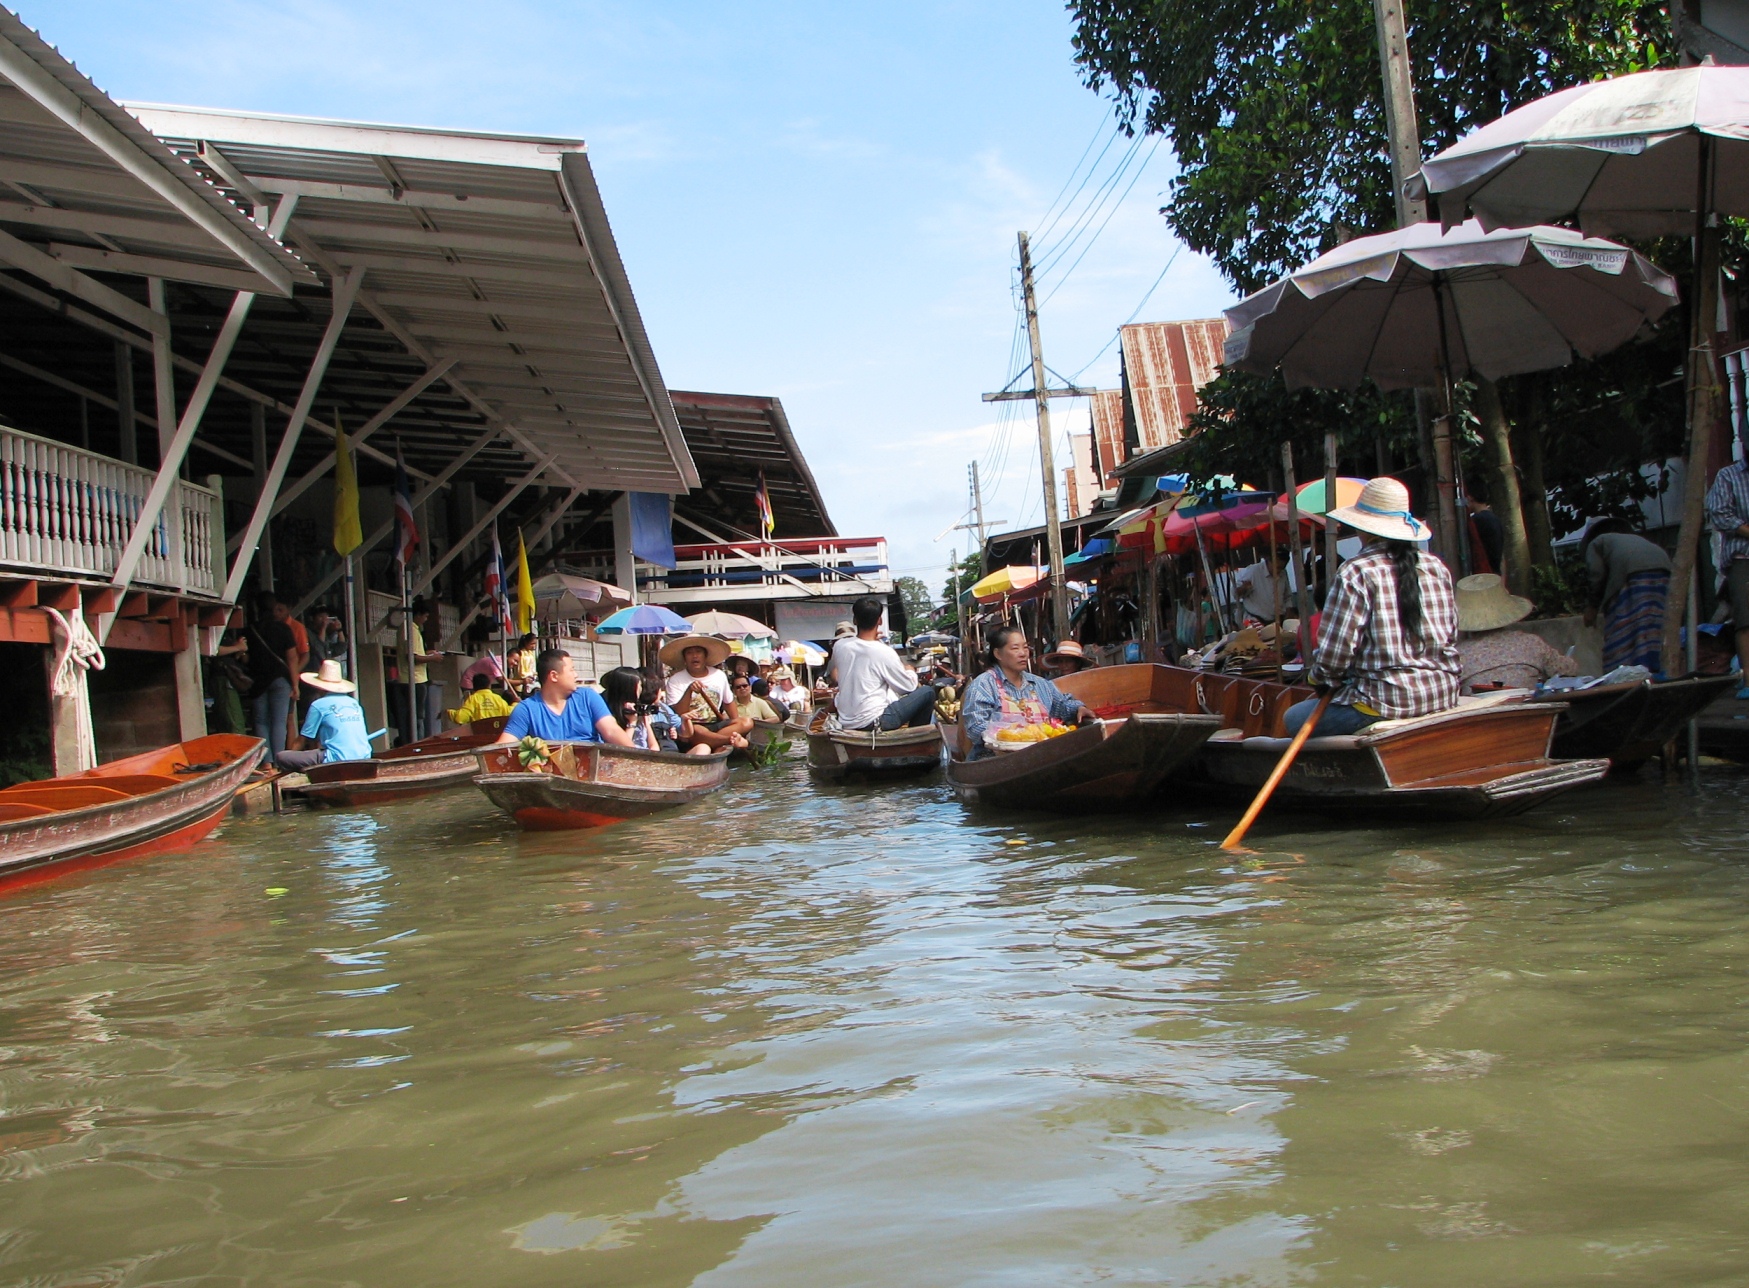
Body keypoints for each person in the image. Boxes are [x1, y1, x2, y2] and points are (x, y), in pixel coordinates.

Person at [1282, 476, 1460, 738]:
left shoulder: (1356, 571)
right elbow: (1451, 636)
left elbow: (1335, 655)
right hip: (1442, 693)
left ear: (1365, 529)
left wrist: (1318, 679)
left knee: (1293, 718)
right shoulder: (1436, 567)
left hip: (1384, 702)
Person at [961, 623, 1094, 758]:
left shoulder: (1039, 684)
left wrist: (1078, 708)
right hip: (996, 760)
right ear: (998, 654)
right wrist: (1014, 737)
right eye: (1015, 648)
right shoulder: (983, 685)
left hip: (1042, 756)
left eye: (1025, 648)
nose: (1023, 653)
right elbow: (975, 728)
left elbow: (1062, 705)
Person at [830, 596, 958, 731]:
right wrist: (910, 671)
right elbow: (907, 687)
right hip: (876, 721)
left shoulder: (839, 646)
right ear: (880, 620)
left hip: (847, 723)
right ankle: (916, 738)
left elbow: (861, 652)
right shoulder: (884, 651)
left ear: (855, 620)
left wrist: (875, 642)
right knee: (927, 693)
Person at [1454, 574, 1580, 693]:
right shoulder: (1530, 643)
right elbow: (1569, 669)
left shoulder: (1457, 655)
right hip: (1529, 711)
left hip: (1482, 715)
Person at [1580, 519, 1671, 674]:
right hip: (1663, 568)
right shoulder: (1635, 540)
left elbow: (1596, 575)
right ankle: (1651, 667)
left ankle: (1627, 672)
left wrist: (1592, 607)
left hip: (1634, 575)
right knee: (1650, 623)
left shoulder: (1596, 543)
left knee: (1625, 628)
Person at [497, 649, 634, 746]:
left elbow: (611, 730)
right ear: (554, 676)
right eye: (572, 670)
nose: (576, 675)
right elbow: (506, 742)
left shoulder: (588, 697)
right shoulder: (526, 709)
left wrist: (637, 758)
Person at [275, 659, 372, 770]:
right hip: (364, 756)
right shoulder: (354, 703)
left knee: (281, 757)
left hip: (336, 759)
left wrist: (290, 756)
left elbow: (302, 740)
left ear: (319, 686)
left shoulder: (319, 705)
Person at [660, 634, 751, 751]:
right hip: (691, 727)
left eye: (698, 652)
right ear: (684, 658)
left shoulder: (719, 675)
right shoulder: (675, 680)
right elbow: (678, 713)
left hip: (716, 724)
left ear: (705, 656)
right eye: (689, 653)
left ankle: (716, 741)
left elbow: (728, 702)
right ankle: (730, 740)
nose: (694, 656)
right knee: (698, 730)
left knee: (746, 722)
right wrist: (689, 690)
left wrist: (735, 725)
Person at [1707, 457, 1749, 696]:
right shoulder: (1728, 475)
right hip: (1743, 558)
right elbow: (1721, 514)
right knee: (1746, 621)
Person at [244, 591, 300, 760]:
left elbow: (245, 656)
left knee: (260, 721)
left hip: (258, 680)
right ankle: (277, 760)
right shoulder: (283, 629)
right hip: (280, 679)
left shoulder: (250, 629)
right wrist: (296, 685)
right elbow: (292, 658)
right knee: (279, 721)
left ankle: (266, 762)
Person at [398, 599, 442, 744]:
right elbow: (413, 657)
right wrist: (433, 658)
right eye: (425, 616)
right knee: (418, 716)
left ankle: (410, 742)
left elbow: (415, 652)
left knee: (408, 716)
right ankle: (419, 743)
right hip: (416, 678)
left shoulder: (404, 628)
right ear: (418, 615)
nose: (426, 619)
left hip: (405, 678)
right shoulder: (412, 630)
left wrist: (428, 653)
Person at [448, 673, 514, 725]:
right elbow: (511, 712)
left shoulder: (473, 699)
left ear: (473, 686)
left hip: (479, 736)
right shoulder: (498, 699)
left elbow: (460, 718)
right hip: (497, 736)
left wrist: (449, 712)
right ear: (489, 685)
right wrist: (516, 702)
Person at [306, 606, 348, 672]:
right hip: (313, 670)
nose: (324, 620)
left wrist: (339, 629)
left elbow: (340, 649)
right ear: (312, 618)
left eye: (326, 617)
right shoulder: (307, 632)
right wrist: (323, 627)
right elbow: (319, 649)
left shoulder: (326, 635)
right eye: (321, 617)